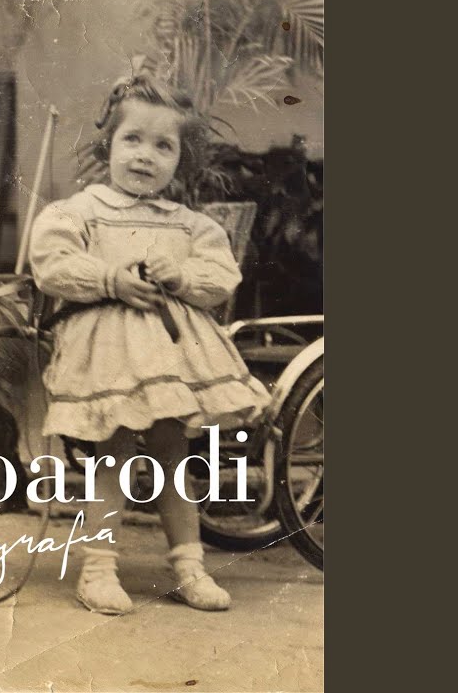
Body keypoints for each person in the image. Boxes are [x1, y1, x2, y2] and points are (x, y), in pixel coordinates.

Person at [29, 72, 272, 615]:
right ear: (108, 146)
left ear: (180, 160)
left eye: (164, 146)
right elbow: (51, 264)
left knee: (171, 450)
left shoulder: (189, 226)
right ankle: (97, 568)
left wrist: (181, 276)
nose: (145, 155)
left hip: (171, 356)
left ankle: (189, 566)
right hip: (108, 353)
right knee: (113, 450)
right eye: (133, 139)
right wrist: (110, 278)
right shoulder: (80, 212)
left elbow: (220, 276)